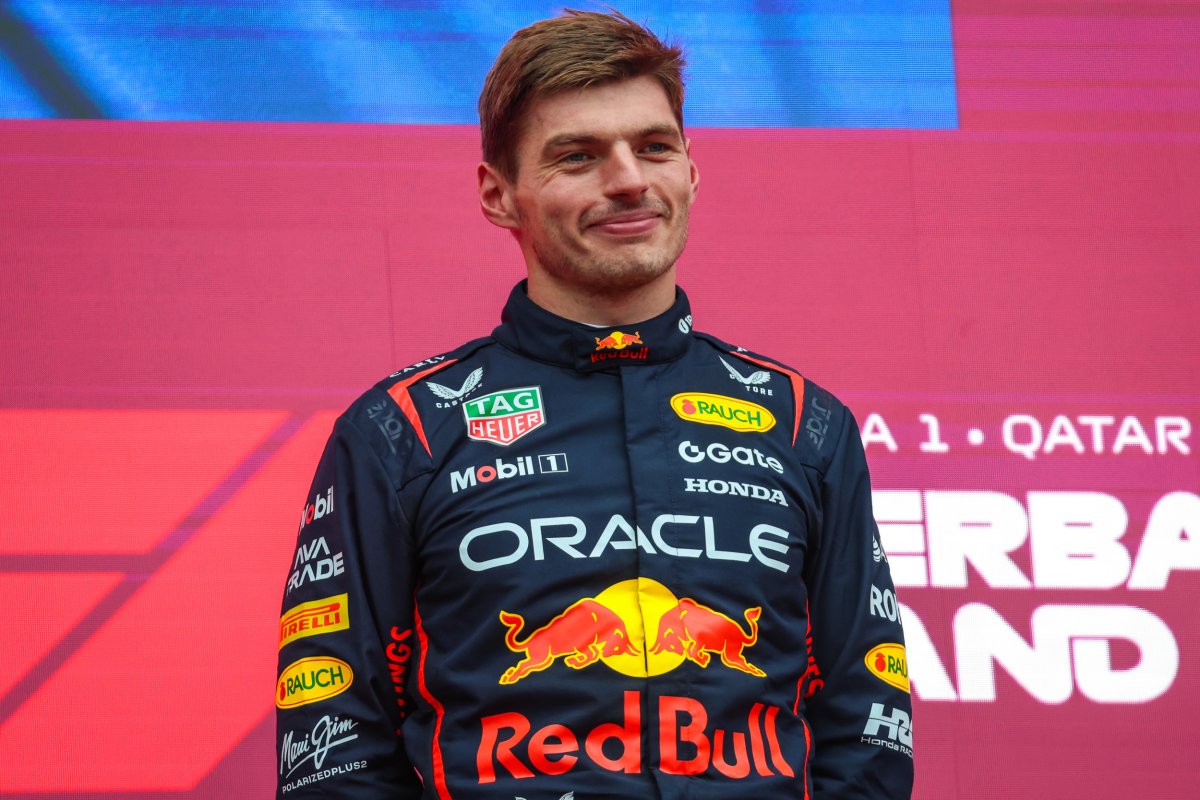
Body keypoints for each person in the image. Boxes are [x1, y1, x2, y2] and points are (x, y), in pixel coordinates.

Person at [275, 9, 913, 799]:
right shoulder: (401, 431)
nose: (629, 180)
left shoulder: (803, 423)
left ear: (691, 171)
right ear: (498, 195)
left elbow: (866, 719)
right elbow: (334, 740)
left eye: (655, 147)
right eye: (578, 156)